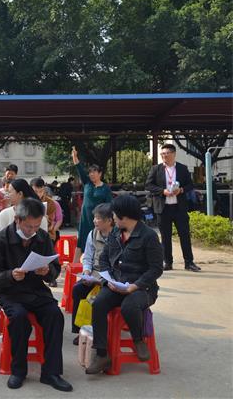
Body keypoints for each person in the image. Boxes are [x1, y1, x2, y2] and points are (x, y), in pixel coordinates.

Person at [0, 198, 72, 392]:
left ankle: (51, 373)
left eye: (36, 226)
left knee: (55, 315)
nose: (32, 230)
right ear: (17, 219)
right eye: (28, 226)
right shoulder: (1, 240)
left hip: (36, 290)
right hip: (10, 293)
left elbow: (55, 269)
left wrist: (47, 271)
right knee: (19, 318)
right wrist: (11, 275)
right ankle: (18, 370)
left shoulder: (42, 237)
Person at [85, 195, 164, 374]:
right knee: (98, 304)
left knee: (129, 306)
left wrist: (135, 286)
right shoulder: (115, 233)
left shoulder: (149, 236)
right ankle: (102, 354)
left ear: (124, 216)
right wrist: (108, 279)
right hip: (116, 284)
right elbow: (104, 259)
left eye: (114, 214)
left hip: (142, 288)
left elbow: (156, 269)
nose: (112, 218)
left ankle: (138, 340)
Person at [145, 143, 200, 272]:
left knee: (184, 235)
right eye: (162, 154)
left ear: (173, 154)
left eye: (166, 153)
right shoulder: (156, 169)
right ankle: (167, 262)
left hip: (179, 208)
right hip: (163, 208)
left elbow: (190, 185)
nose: (164, 156)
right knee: (165, 237)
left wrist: (181, 190)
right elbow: (148, 185)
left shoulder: (182, 168)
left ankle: (189, 262)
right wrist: (162, 191)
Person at [71, 203, 114, 342]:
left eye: (98, 218)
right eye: (94, 217)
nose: (95, 221)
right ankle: (80, 331)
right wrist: (86, 272)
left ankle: (98, 331)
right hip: (94, 273)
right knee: (78, 289)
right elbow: (88, 257)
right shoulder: (92, 233)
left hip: (110, 277)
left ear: (109, 220)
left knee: (98, 300)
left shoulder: (117, 235)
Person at [71, 146, 113, 262]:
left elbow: (109, 205)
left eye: (94, 172)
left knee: (97, 240)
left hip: (98, 219)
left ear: (100, 174)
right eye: (90, 172)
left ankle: (97, 262)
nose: (91, 174)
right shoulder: (87, 183)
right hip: (85, 217)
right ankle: (74, 265)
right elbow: (79, 168)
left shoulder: (105, 188)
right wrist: (75, 157)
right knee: (81, 241)